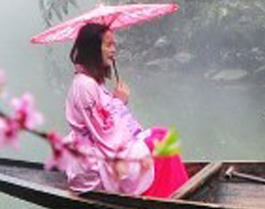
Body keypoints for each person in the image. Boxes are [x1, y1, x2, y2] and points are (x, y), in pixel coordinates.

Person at [61, 20, 186, 198]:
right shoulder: (85, 85)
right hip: (97, 161)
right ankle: (165, 197)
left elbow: (103, 119)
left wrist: (116, 101)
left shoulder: (92, 82)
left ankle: (171, 192)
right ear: (93, 49)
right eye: (108, 45)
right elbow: (104, 132)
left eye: (114, 45)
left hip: (103, 148)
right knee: (162, 142)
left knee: (162, 135)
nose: (113, 50)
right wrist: (119, 102)